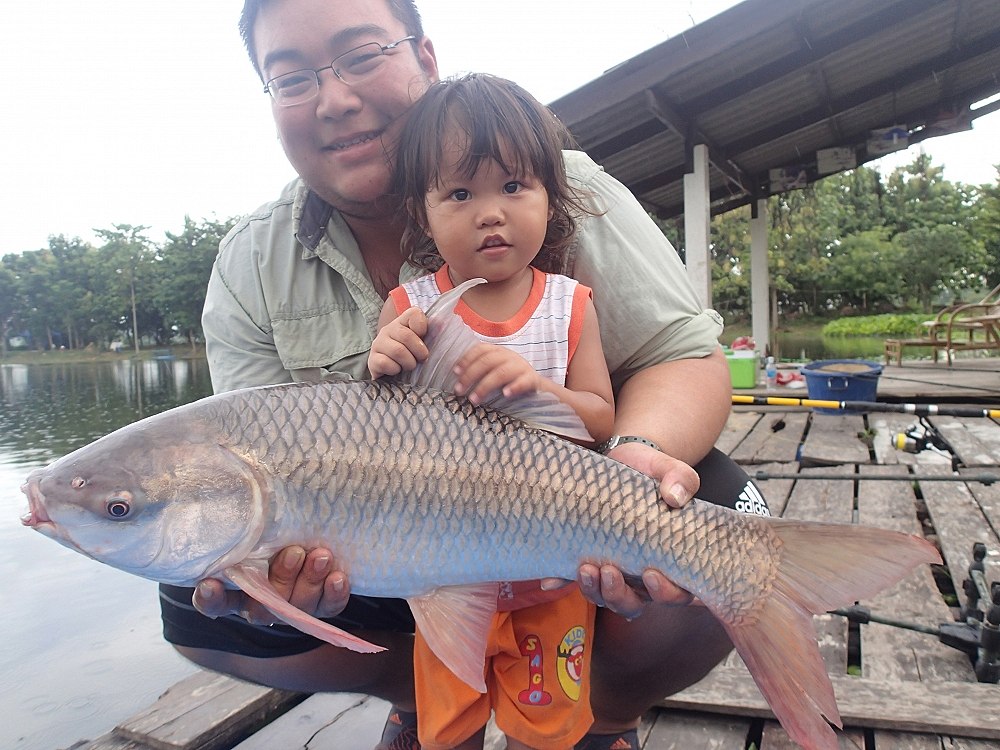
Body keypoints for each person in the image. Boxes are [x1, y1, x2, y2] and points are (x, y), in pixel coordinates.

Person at [158, 1, 770, 749]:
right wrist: (266, 569)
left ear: (424, 57)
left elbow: (683, 354)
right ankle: (420, 689)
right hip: (370, 558)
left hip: (560, 524)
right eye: (291, 79)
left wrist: (634, 455)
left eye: (360, 55)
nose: (335, 98)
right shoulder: (251, 260)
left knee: (723, 509)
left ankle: (602, 716)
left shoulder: (551, 185)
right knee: (196, 597)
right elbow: (246, 445)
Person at [368, 72, 614, 750]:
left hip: (550, 577)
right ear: (423, 214)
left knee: (549, 731)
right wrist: (382, 359)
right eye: (460, 193)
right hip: (443, 574)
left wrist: (539, 389)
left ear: (548, 196)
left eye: (513, 187)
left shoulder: (571, 305)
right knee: (446, 731)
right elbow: (375, 422)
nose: (490, 212)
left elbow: (598, 419)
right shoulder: (410, 307)